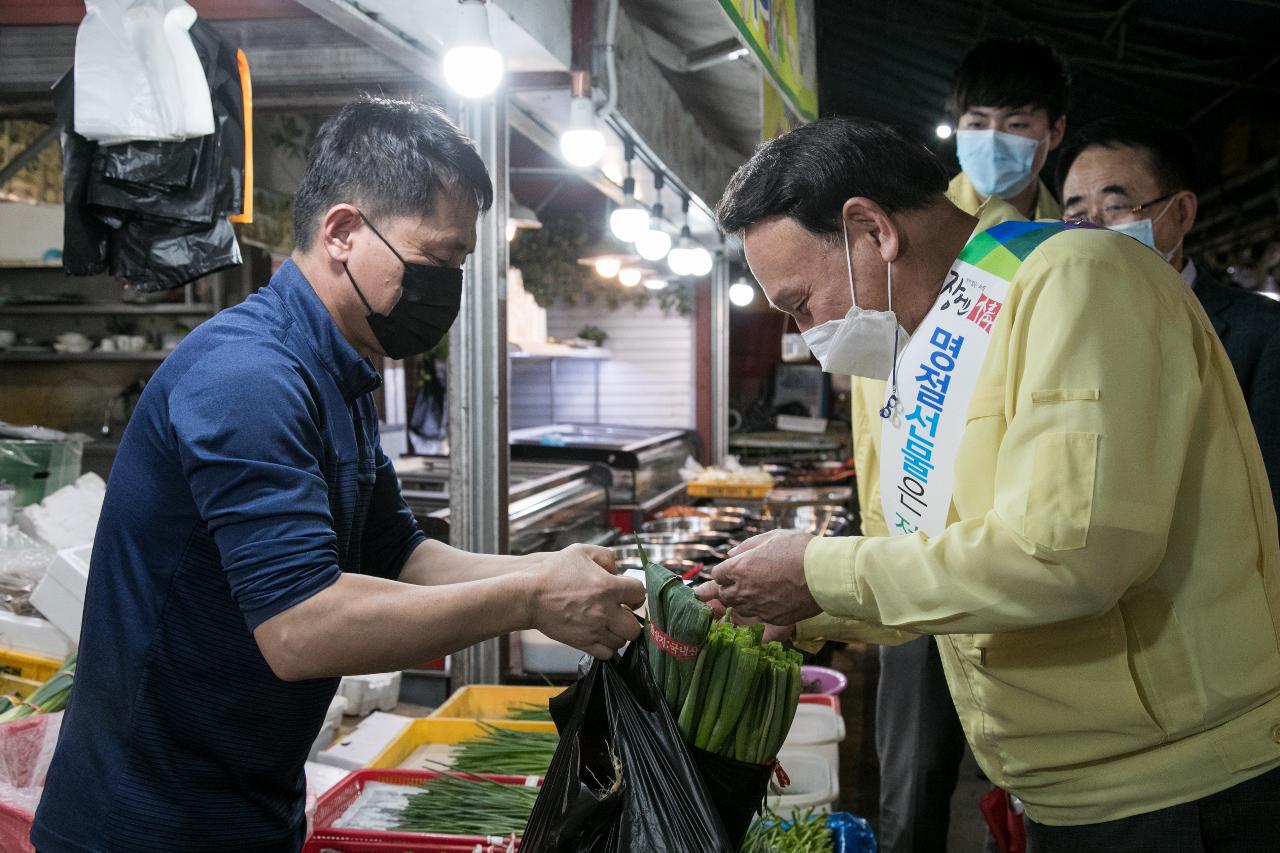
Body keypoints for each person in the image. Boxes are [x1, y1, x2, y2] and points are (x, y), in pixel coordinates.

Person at [32, 97, 645, 853]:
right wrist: (527, 596)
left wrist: (549, 571)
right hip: (143, 825)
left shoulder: (334, 372)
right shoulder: (248, 376)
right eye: (437, 259)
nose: (445, 287)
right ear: (345, 232)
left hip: (251, 808)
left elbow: (402, 556)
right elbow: (300, 628)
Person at [704, 116, 1280, 852]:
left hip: (1175, 788)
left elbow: (1066, 554)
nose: (806, 334)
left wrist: (817, 567)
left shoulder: (1073, 279)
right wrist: (801, 606)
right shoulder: (914, 348)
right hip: (1058, 784)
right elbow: (934, 567)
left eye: (799, 301)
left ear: (870, 228)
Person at [846, 35, 1071, 853]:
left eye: (1017, 120)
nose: (995, 135)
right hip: (919, 550)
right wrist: (883, 547)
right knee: (913, 787)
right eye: (978, 119)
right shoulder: (919, 232)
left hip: (1025, 560)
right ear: (952, 127)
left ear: (1054, 131)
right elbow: (876, 403)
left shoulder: (1073, 247)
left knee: (1049, 787)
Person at [1058, 116, 1280, 525]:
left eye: (1116, 207)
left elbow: (1268, 501)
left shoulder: (1262, 333)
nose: (1093, 229)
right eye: (1076, 215)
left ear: (1181, 212)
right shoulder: (1060, 336)